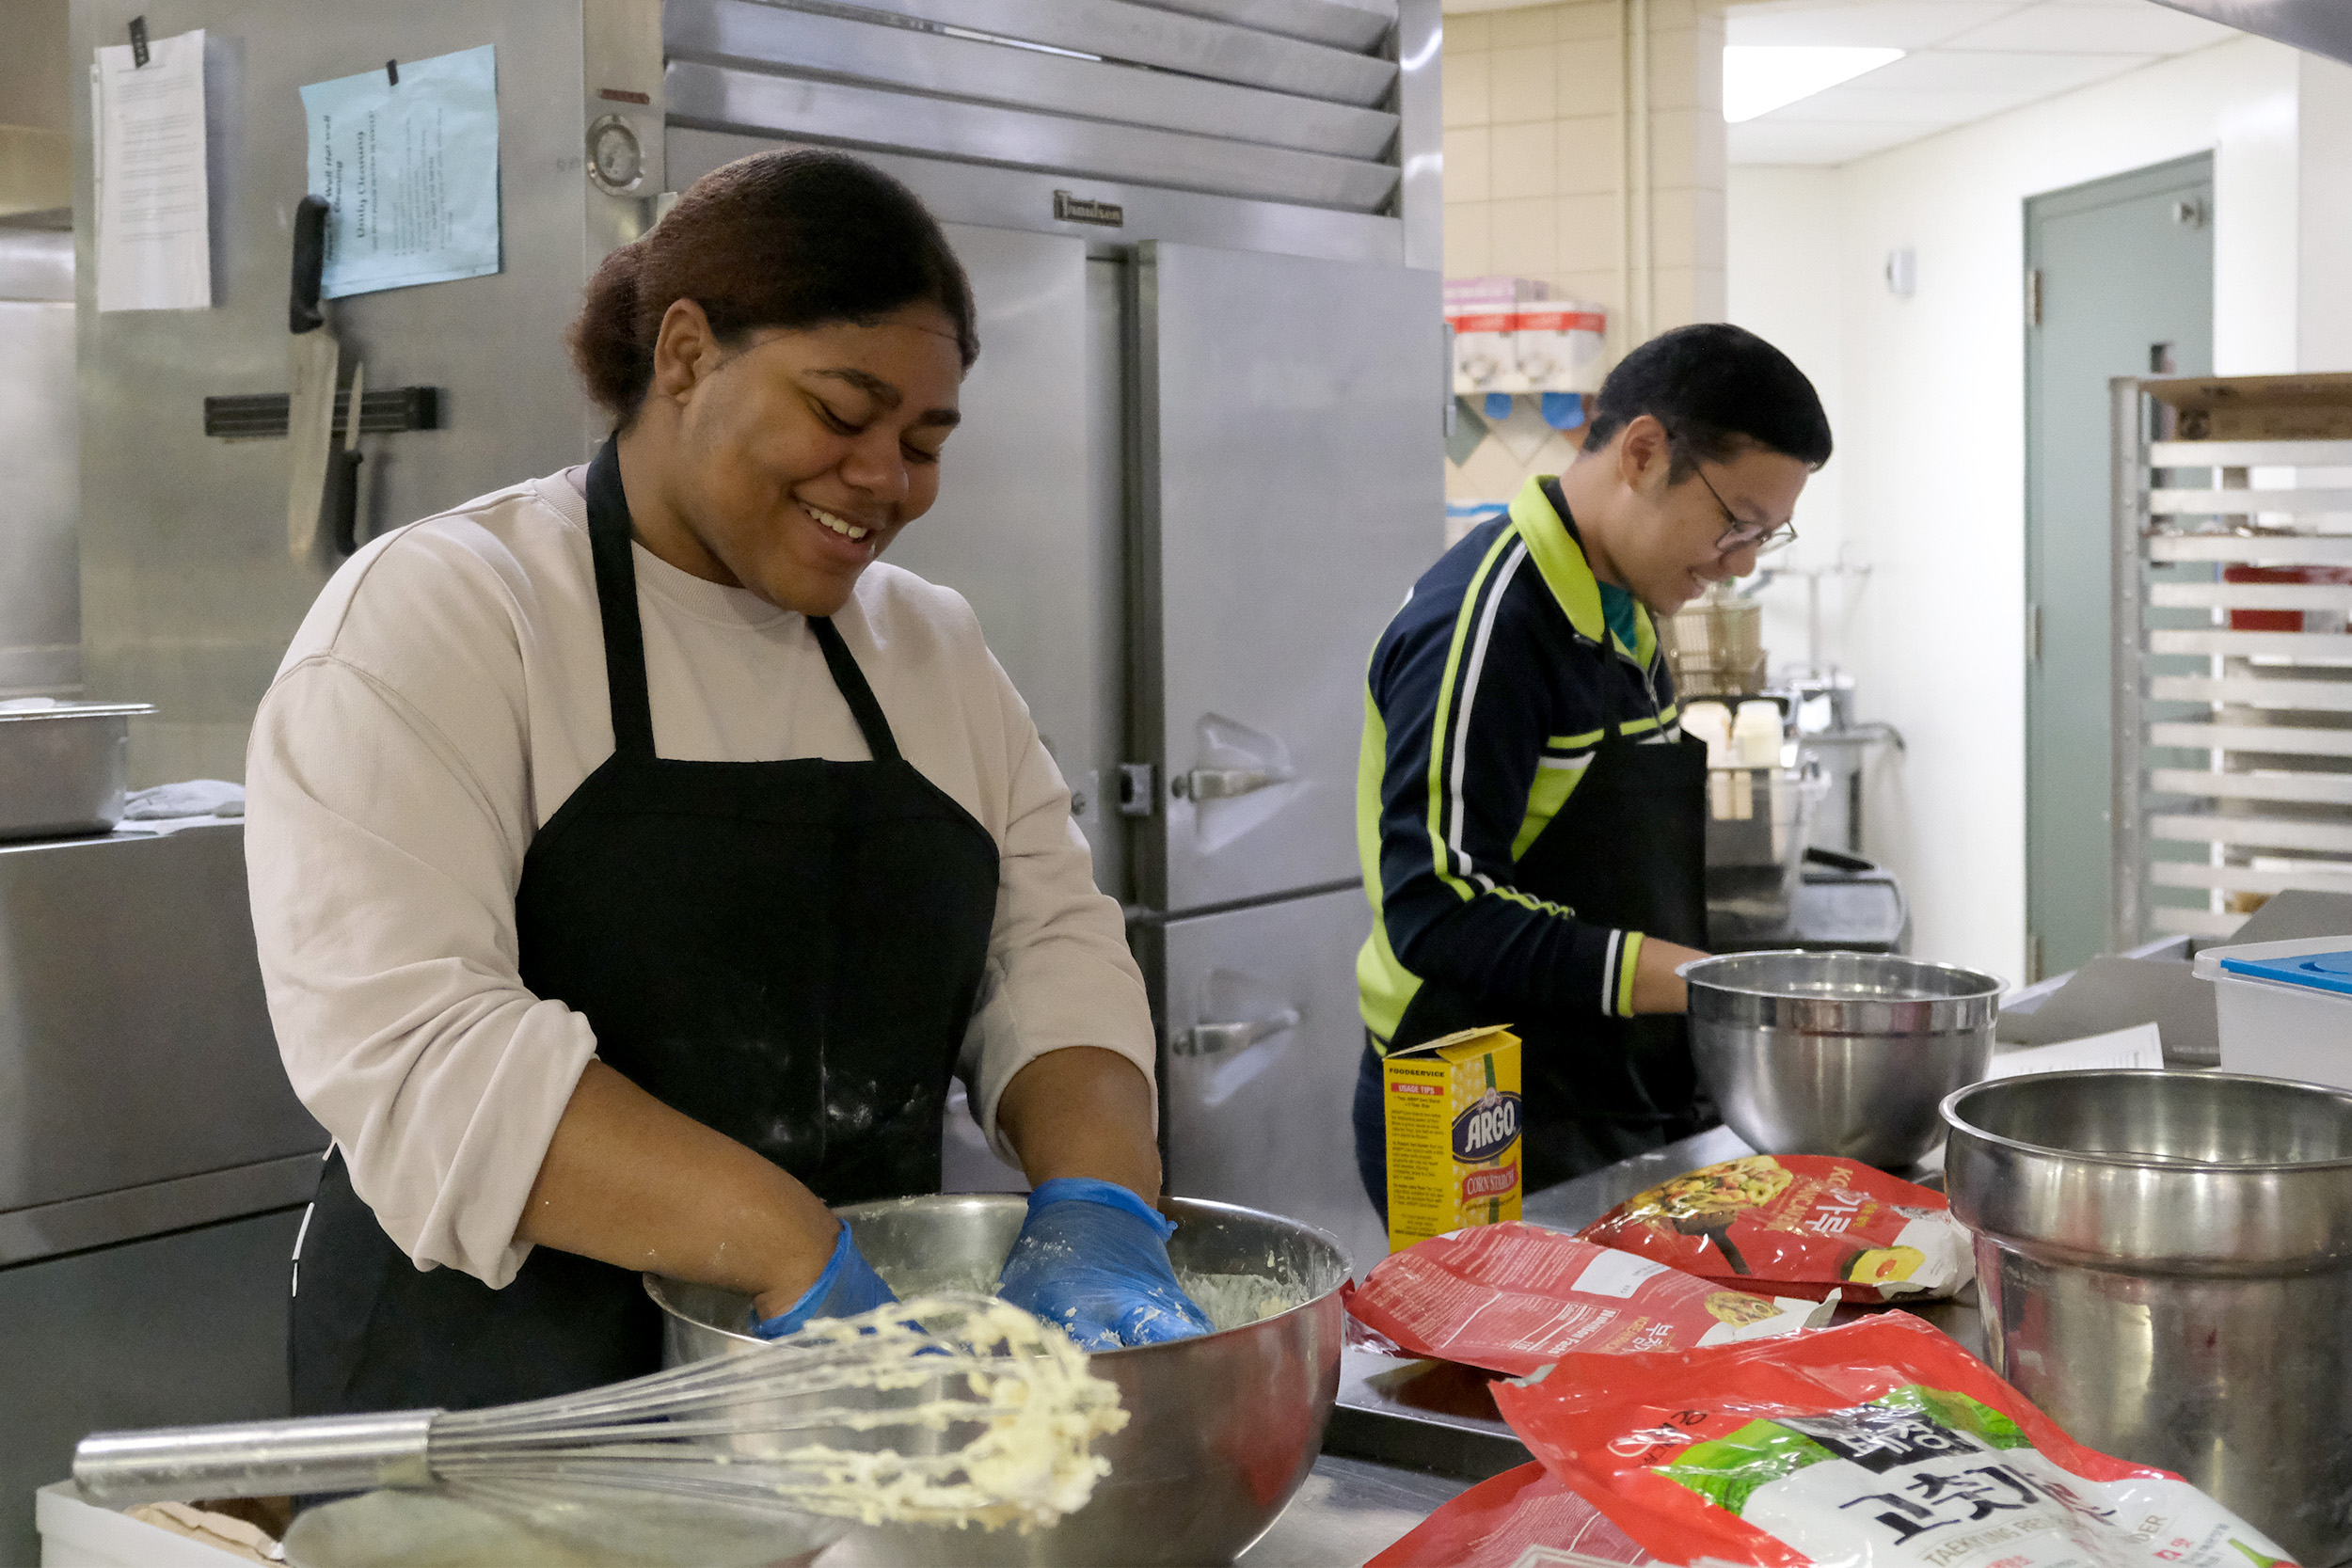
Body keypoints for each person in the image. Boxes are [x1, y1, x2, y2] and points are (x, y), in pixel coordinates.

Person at [246, 149, 1212, 1417]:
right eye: (842, 413)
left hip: (836, 1422)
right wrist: (794, 1256)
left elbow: (1049, 946)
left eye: (924, 441)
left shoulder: (928, 647)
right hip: (502, 1419)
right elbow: (423, 1054)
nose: (887, 480)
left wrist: (1097, 1199)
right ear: (687, 355)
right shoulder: (452, 612)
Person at [1351, 324, 1832, 1209]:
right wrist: (1704, 985)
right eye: (1737, 525)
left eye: (1770, 535)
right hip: (1475, 1093)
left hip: (1596, 1079)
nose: (1745, 564)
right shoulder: (1492, 622)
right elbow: (1437, 906)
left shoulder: (1624, 608)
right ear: (1644, 453)